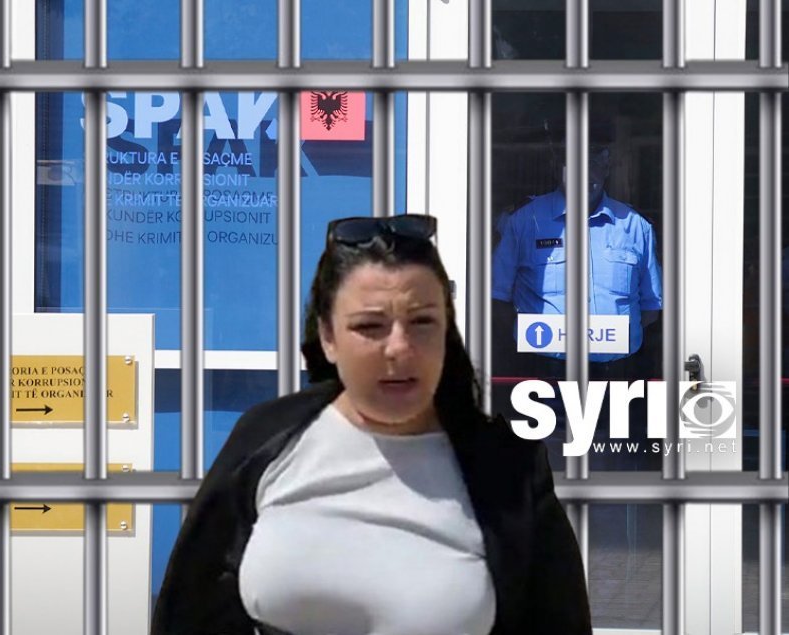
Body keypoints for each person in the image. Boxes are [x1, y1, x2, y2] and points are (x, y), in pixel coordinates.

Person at [151, 214, 592, 635]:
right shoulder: (267, 439)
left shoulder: (508, 469)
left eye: (422, 322)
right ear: (328, 337)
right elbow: (190, 610)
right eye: (370, 326)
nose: (399, 347)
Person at [492, 145, 663, 379]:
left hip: (618, 375)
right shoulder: (523, 221)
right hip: (542, 372)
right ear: (556, 169)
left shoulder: (635, 225)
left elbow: (650, 309)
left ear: (606, 169)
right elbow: (498, 298)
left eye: (592, 163)